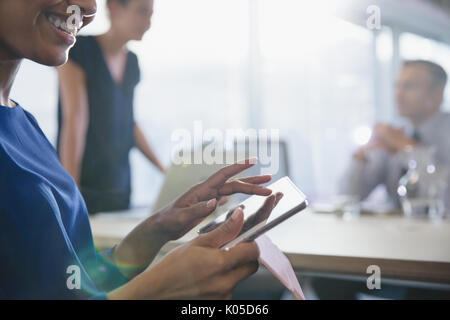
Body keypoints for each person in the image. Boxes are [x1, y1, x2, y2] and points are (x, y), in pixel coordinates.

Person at [0, 0, 279, 299]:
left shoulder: (25, 126)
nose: (87, 5)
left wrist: (157, 228)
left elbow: (75, 280)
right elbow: (76, 120)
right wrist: (156, 291)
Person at [57, 0, 165, 214]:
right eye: (142, 12)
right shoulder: (79, 50)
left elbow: (128, 124)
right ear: (115, 9)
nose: (148, 23)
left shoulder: (132, 63)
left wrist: (164, 172)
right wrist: (70, 190)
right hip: (84, 187)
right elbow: (75, 120)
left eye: (151, 14)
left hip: (120, 188)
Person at [341, 60, 450, 210]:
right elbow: (346, 197)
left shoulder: (398, 138)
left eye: (409, 87)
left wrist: (408, 148)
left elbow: (445, 196)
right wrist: (361, 157)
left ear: (437, 93)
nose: (398, 95)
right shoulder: (393, 135)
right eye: (397, 86)